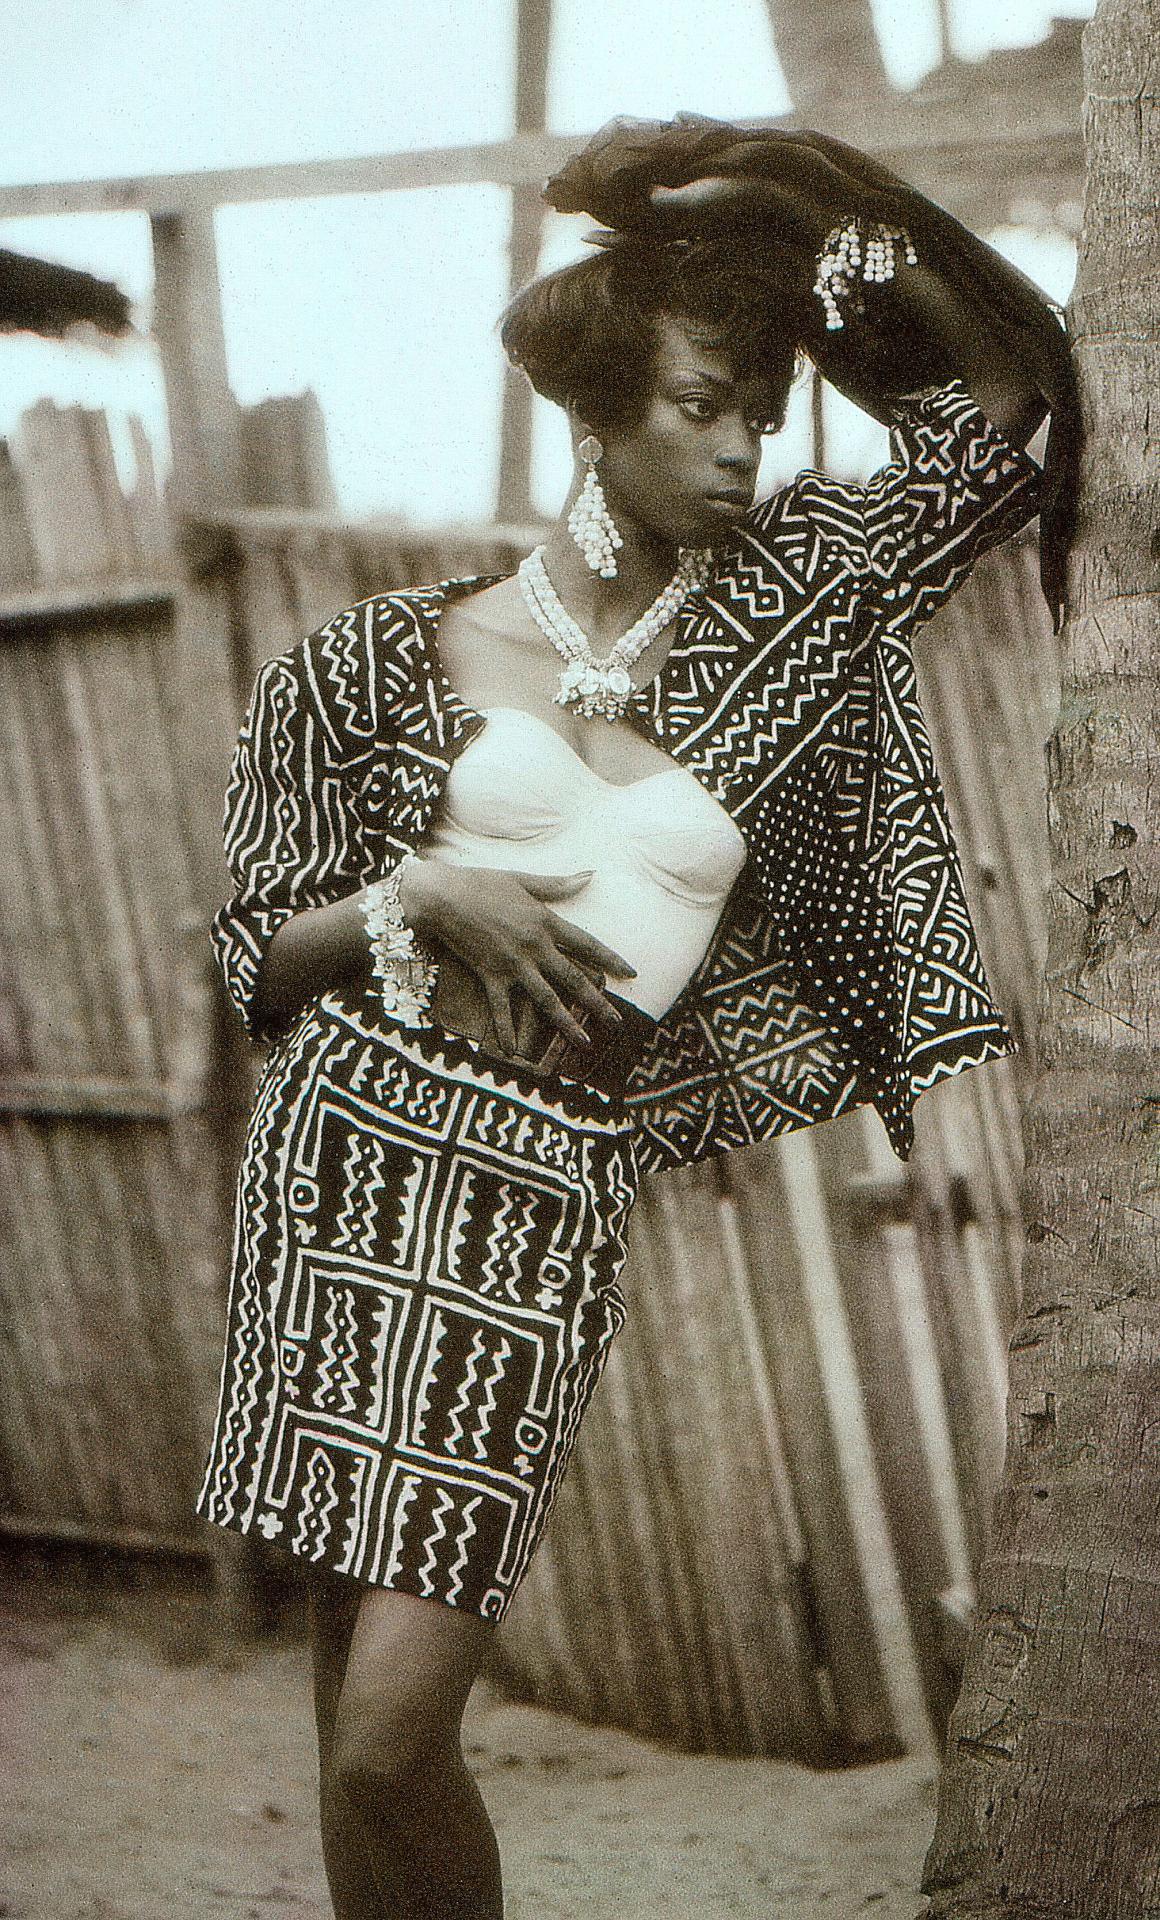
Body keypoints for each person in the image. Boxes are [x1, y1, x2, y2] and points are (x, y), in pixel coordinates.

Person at [195, 115, 1077, 1920]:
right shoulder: (373, 660)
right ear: (597, 418)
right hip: (342, 1167)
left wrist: (815, 204)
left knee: (388, 1740)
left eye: (767, 405)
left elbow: (997, 411)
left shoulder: (795, 608)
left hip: (539, 1197)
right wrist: (417, 893)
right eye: (702, 403)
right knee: (349, 1724)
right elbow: (246, 962)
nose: (746, 443)